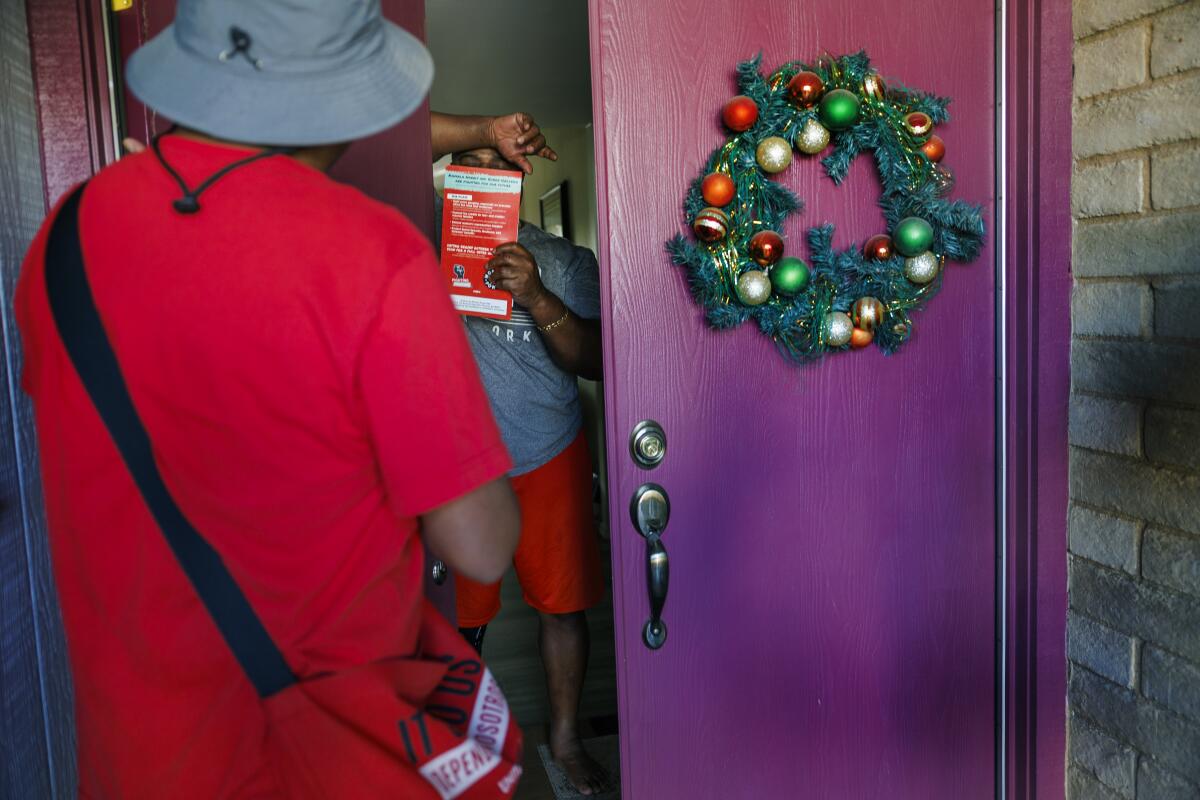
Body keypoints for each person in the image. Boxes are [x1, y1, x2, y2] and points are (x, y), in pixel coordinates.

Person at [15, 1, 525, 796]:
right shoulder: (374, 252)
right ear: (341, 98)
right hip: (324, 761)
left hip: (136, 761)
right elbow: (481, 546)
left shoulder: (64, 237)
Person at [437, 146, 609, 795]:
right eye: (467, 158)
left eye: (494, 159)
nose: (481, 169)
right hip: (459, 463)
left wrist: (535, 293)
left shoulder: (566, 259)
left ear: (517, 175)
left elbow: (593, 360)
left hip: (549, 452)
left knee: (562, 609)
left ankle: (565, 740)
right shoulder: (427, 243)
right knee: (458, 616)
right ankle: (455, 747)